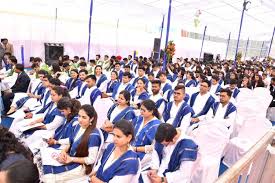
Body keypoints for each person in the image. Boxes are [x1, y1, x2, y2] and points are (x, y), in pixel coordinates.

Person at [42, 105, 103, 182]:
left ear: (91, 119)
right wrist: (63, 151)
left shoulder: (94, 136)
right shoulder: (78, 126)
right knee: (46, 154)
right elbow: (71, 142)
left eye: (84, 117)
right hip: (71, 156)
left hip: (81, 166)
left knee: (50, 177)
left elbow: (91, 159)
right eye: (79, 116)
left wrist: (71, 159)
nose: (80, 120)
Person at [132, 100, 161, 169]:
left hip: (144, 154)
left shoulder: (157, 126)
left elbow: (153, 148)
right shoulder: (139, 118)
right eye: (140, 109)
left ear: (151, 112)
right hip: (131, 147)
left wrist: (135, 149)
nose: (141, 112)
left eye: (143, 110)